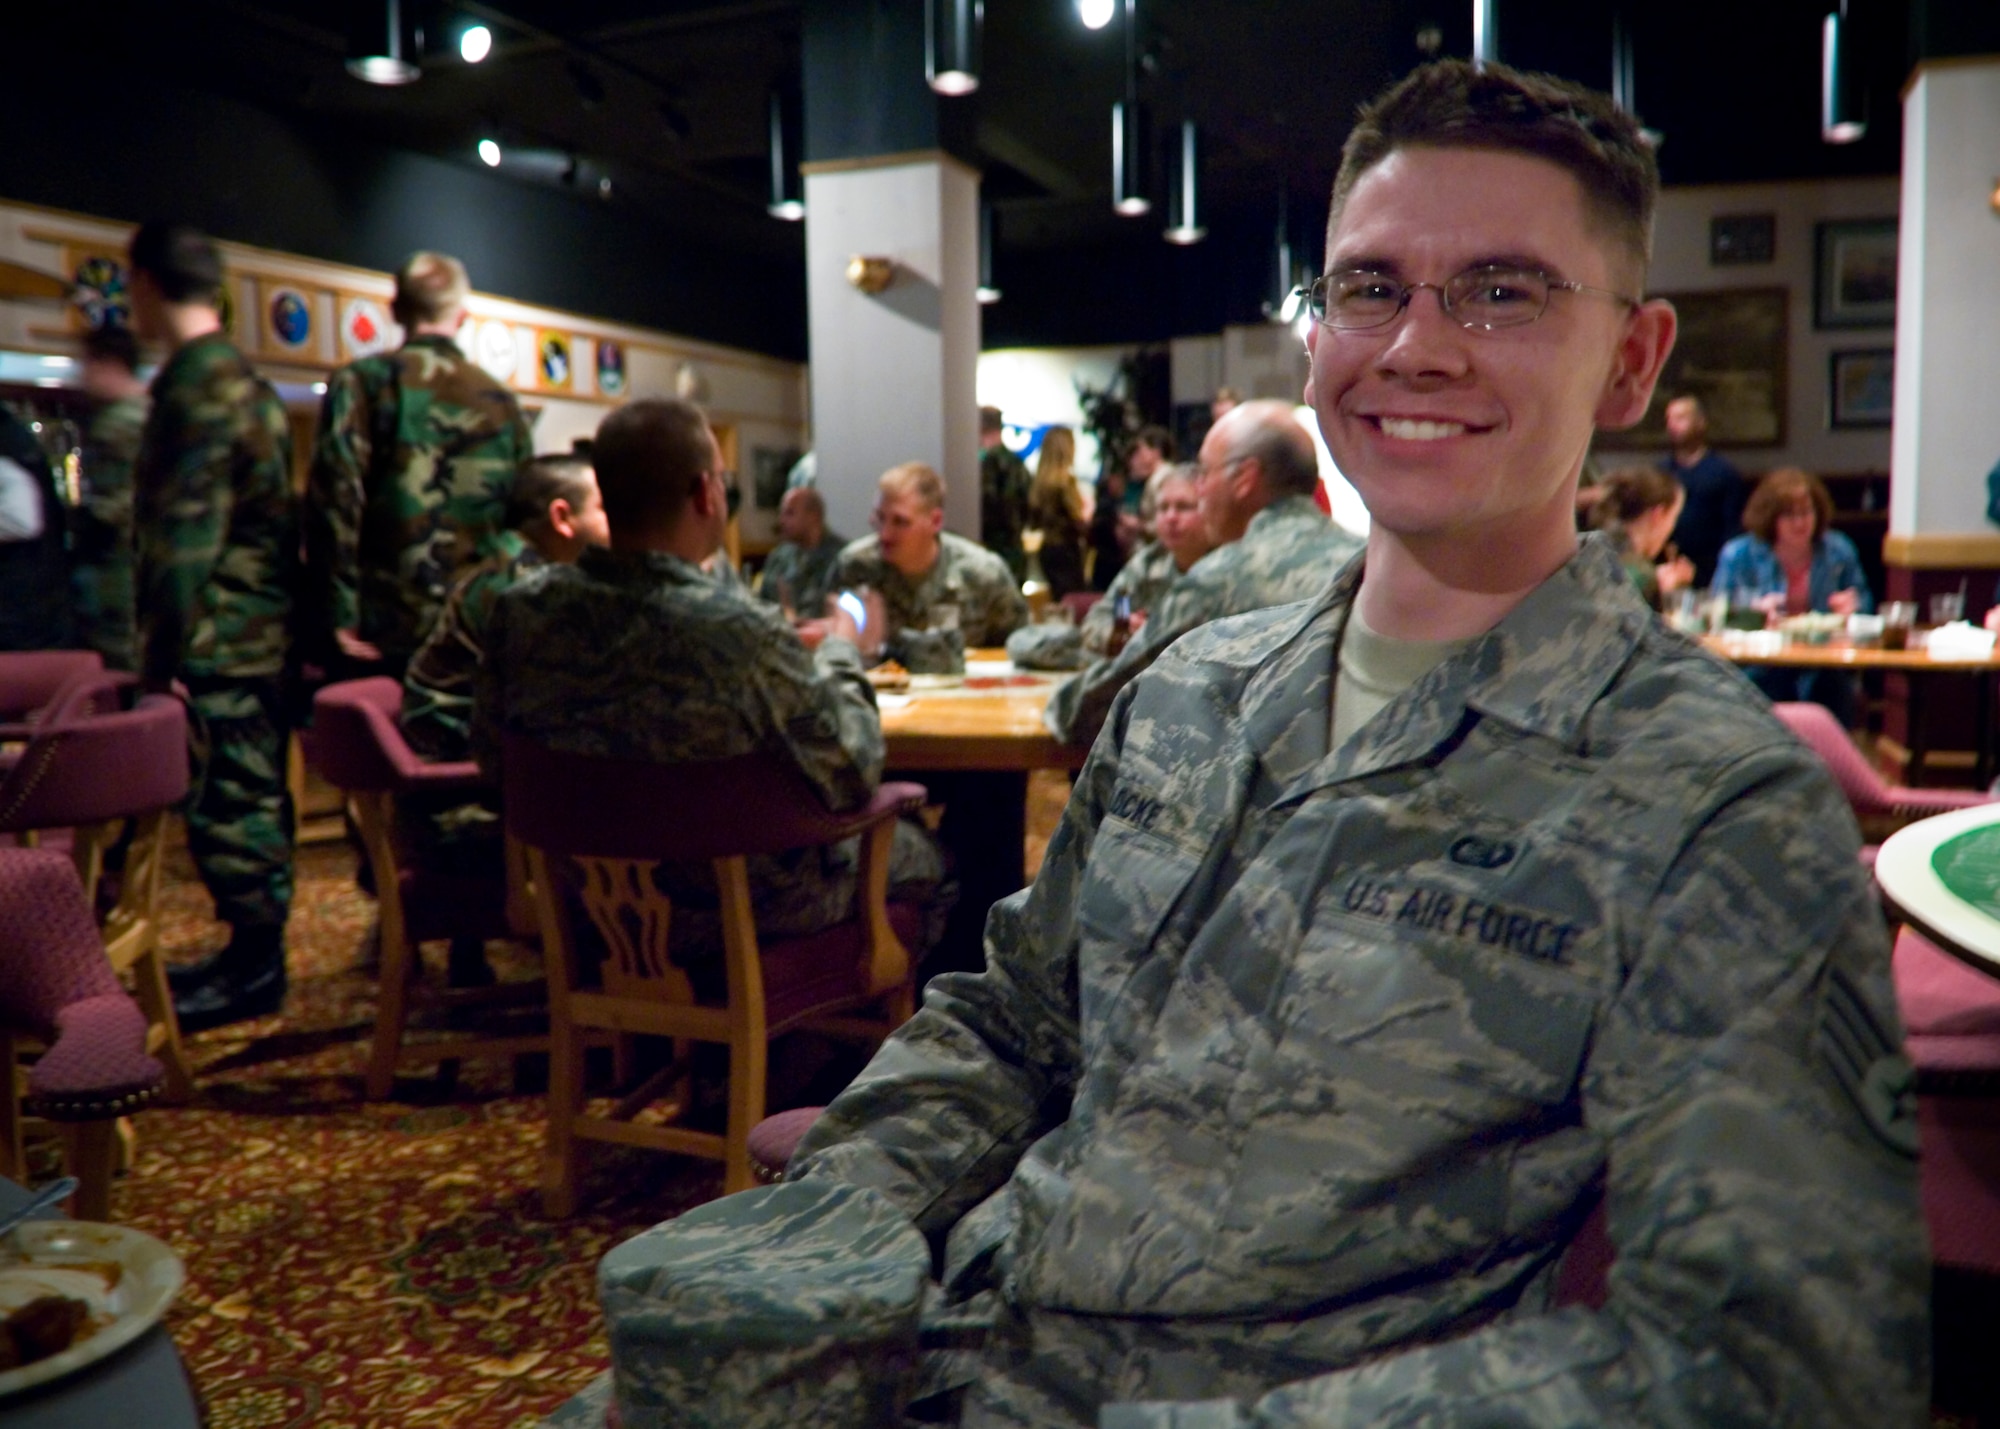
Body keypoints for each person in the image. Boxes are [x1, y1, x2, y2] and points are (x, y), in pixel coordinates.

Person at [727, 59, 1921, 1428]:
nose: (1419, 344)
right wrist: (827, 1230)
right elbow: (1014, 1017)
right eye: (1370, 288)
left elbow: (1771, 1366)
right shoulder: (1193, 687)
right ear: (1316, 339)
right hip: (947, 1335)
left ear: (1633, 361)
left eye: (1504, 288)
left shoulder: (1715, 800)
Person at [473, 398, 949, 973]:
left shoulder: (520, 613)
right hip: (739, 912)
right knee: (933, 857)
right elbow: (850, 771)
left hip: (584, 900)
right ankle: (832, 1052)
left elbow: (493, 756)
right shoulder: (738, 631)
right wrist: (845, 650)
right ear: (706, 493)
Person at [127, 222, 298, 1033]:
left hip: (219, 635)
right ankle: (249, 953)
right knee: (245, 791)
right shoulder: (244, 378)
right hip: (251, 630)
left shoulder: (197, 385)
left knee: (233, 802)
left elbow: (183, 539)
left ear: (146, 285)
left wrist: (157, 662)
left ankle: (256, 965)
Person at [1042, 399, 1363, 747]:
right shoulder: (1366, 559)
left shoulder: (1220, 574)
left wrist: (1061, 701)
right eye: (1163, 508)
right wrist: (1115, 630)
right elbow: (1114, 609)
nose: (1175, 515)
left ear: (1243, 479)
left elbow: (1102, 702)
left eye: (1203, 477)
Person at [304, 250, 533, 676]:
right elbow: (525, 516)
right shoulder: (502, 402)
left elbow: (335, 502)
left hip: (381, 632)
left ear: (394, 310)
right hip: (475, 628)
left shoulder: (362, 382)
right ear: (462, 316)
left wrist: (337, 613)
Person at [401, 454, 608, 763]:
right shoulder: (525, 588)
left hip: (483, 750)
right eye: (604, 509)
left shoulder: (518, 562)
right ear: (562, 518)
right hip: (462, 775)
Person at [831, 462, 1028, 672]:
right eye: (879, 518)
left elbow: (1022, 650)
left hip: (963, 698)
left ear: (935, 521)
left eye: (900, 522)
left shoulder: (982, 573)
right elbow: (828, 655)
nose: (884, 533)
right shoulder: (854, 569)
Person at [1714, 467, 1873, 723]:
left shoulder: (1838, 551)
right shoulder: (1739, 555)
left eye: (1806, 512)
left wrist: (1852, 608)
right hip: (1761, 663)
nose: (1800, 523)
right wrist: (1752, 614)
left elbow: (1866, 608)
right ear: (1770, 517)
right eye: (1789, 515)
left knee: (1834, 689)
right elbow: (1718, 617)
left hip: (1823, 662)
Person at [70, 325, 149, 670]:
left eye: (87, 363)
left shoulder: (117, 424)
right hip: (141, 580)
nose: (81, 374)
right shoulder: (153, 414)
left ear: (109, 364)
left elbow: (111, 511)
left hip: (119, 582)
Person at [1077, 462, 1213, 656]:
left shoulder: (1226, 564)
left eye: (1183, 507)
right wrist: (1122, 628)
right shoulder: (1147, 564)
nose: (1170, 517)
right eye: (1163, 508)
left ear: (1209, 510)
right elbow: (1103, 615)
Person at [0, 405, 73, 653]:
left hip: (16, 611)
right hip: (30, 606)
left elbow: (21, 520)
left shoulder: (7, 443)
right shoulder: (13, 438)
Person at [1660, 392, 1743, 589]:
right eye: (1669, 419)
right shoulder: (1661, 473)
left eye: (1680, 418)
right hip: (1668, 569)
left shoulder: (1723, 472)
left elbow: (1732, 531)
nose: (1672, 425)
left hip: (1711, 572)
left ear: (1700, 422)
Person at [1583, 465, 1693, 611]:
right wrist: (1656, 590)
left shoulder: (1589, 549)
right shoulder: (1641, 574)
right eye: (1673, 517)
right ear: (1658, 515)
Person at [759, 485, 846, 619]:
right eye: (782, 513)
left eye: (790, 513)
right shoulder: (778, 559)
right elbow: (762, 606)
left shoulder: (842, 558)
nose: (782, 521)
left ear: (813, 516)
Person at [1026, 426, 1089, 599]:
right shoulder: (1066, 484)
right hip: (1067, 553)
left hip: (1046, 551)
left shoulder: (1037, 485)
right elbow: (1077, 520)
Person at [977, 406, 1030, 584]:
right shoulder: (1017, 463)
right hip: (1015, 549)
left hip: (993, 548)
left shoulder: (987, 464)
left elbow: (986, 506)